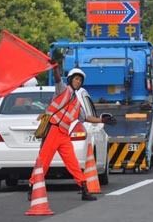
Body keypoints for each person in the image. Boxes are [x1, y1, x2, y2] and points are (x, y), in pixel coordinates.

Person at [29, 65, 115, 201]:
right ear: (70, 80)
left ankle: (84, 190)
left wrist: (102, 119)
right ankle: (33, 187)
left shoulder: (76, 102)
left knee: (73, 164)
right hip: (52, 130)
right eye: (76, 79)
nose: (78, 82)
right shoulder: (62, 89)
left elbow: (85, 117)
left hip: (63, 135)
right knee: (43, 161)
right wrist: (55, 68)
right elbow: (57, 79)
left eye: (80, 80)